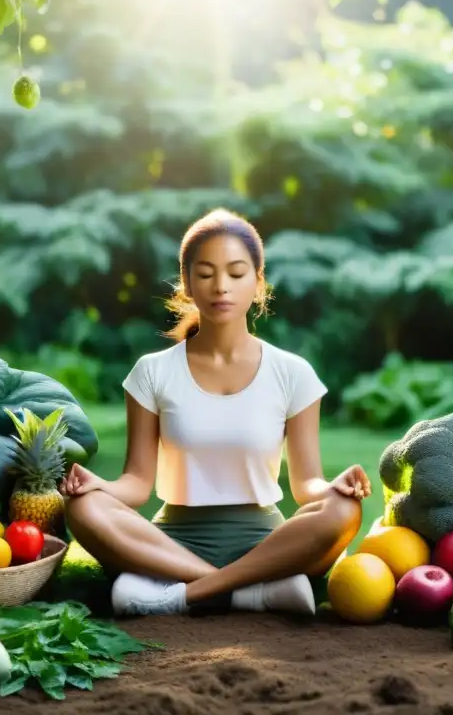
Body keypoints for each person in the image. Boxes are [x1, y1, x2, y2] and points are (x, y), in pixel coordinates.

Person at [60, 208, 371, 617]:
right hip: (172, 543)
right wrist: (98, 485)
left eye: (236, 273)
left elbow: (306, 485)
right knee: (83, 507)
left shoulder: (294, 373)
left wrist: (336, 486)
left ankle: (185, 594)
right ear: (187, 283)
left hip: (267, 543)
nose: (220, 286)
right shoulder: (152, 372)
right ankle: (248, 592)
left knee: (344, 510)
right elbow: (137, 483)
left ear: (258, 282)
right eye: (205, 274)